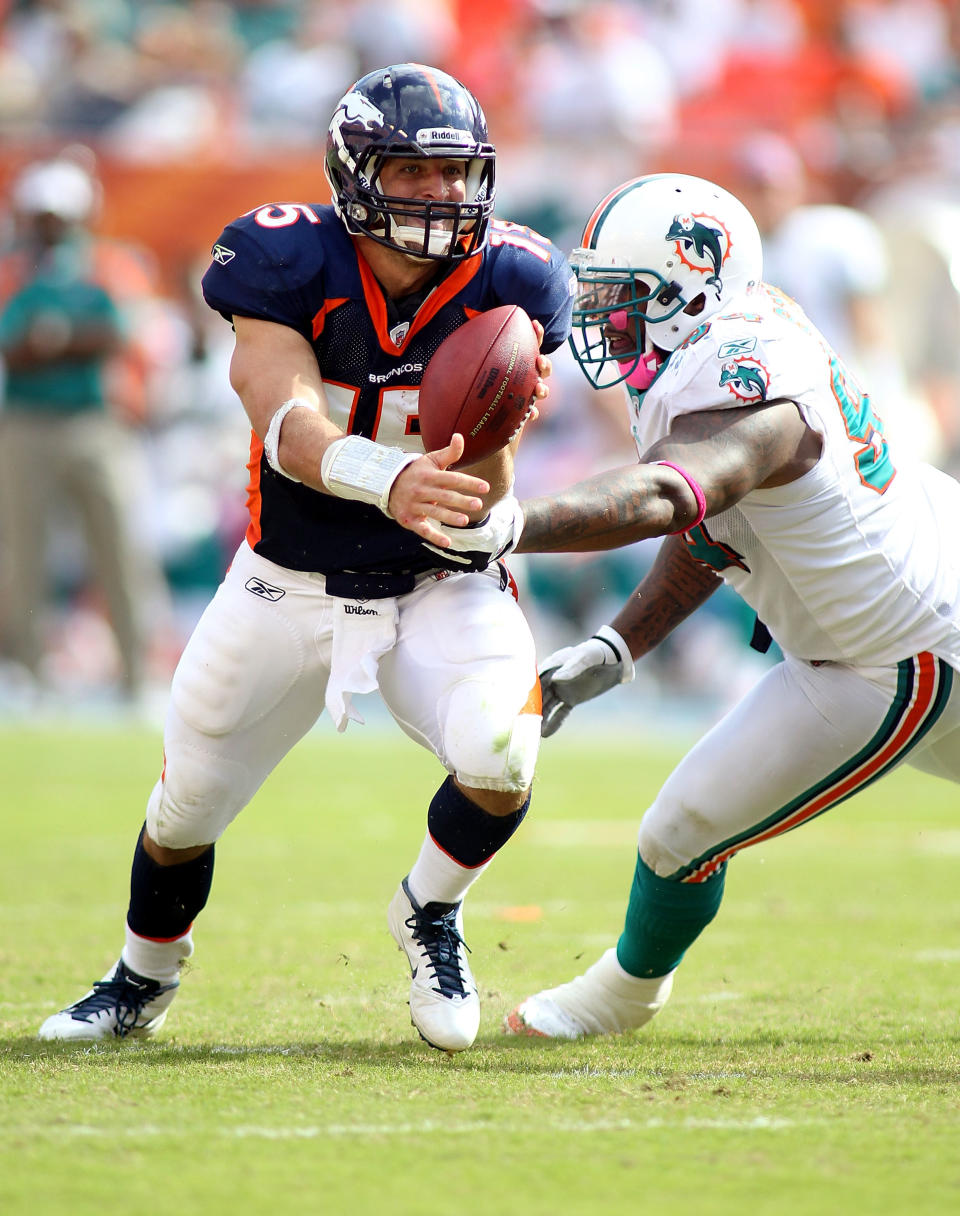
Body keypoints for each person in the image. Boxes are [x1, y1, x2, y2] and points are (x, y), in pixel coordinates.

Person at [37, 64, 573, 1052]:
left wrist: (494, 454)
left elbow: (486, 494)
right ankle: (140, 979)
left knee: (503, 754)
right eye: (416, 172)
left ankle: (429, 907)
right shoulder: (282, 255)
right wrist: (386, 477)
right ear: (357, 170)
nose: (446, 197)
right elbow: (285, 422)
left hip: (438, 579)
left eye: (459, 176)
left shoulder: (516, 277)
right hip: (287, 579)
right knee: (185, 804)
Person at [431, 172, 960, 1040]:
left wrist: (509, 523)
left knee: (679, 831)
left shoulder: (747, 374)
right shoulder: (719, 342)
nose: (601, 318)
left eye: (620, 295)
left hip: (894, 652)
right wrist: (619, 644)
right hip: (915, 599)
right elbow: (718, 526)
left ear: (690, 284)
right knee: (677, 830)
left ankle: (627, 995)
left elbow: (675, 496)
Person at [0, 153, 168, 703]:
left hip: (97, 420)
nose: (52, 226)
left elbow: (115, 333)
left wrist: (50, 340)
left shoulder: (109, 263)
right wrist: (61, 341)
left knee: (121, 549)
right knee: (23, 553)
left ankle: (136, 675)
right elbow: (14, 347)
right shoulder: (11, 267)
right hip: (25, 421)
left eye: (61, 215)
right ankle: (27, 669)